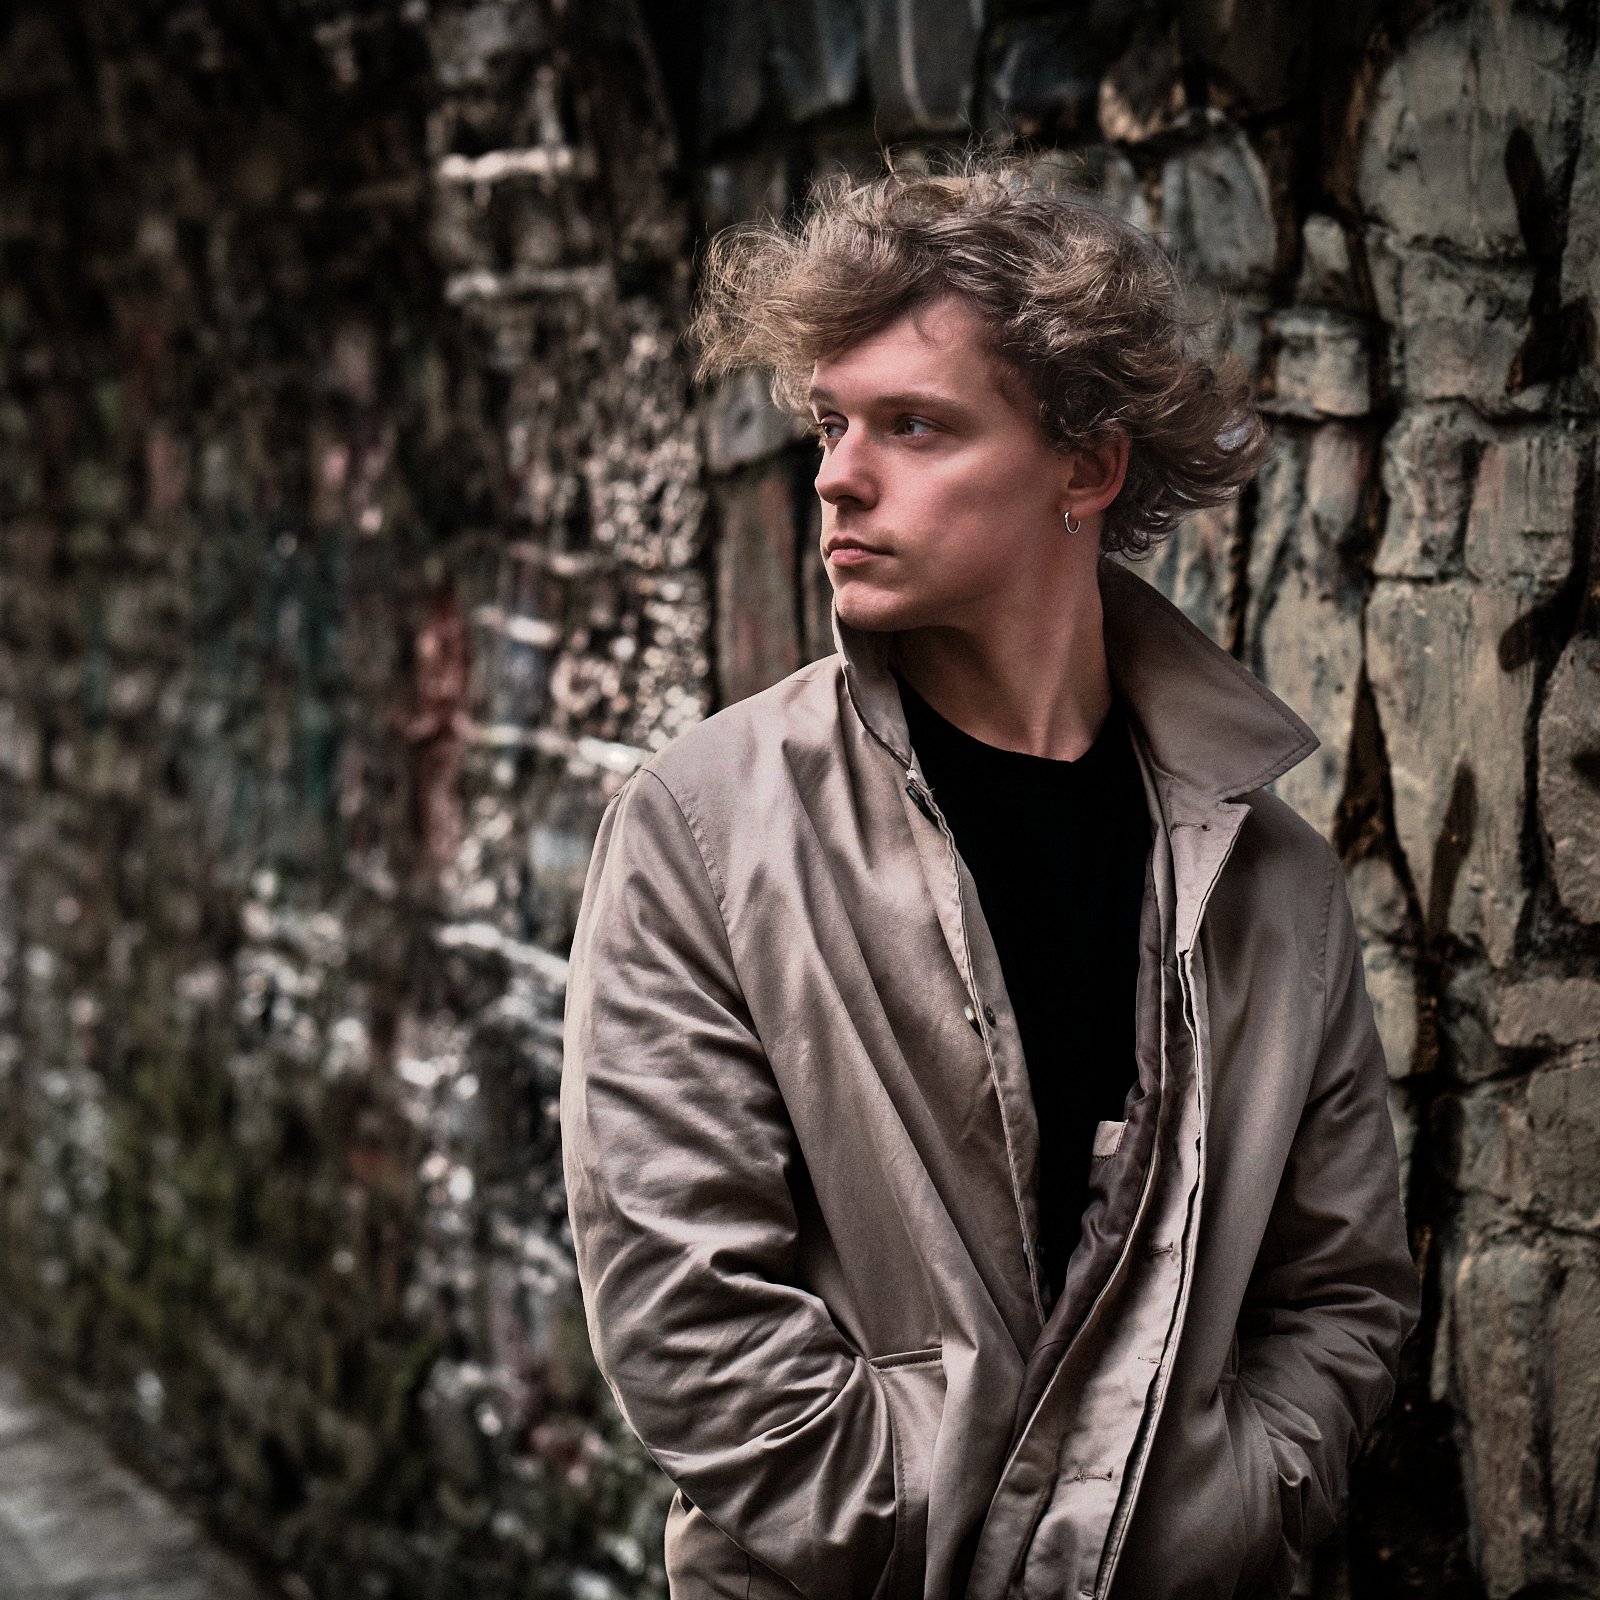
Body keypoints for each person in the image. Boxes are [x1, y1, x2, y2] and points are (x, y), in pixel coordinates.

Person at [559, 153, 1418, 1600]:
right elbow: (685, 1318)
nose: (837, 470)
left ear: (1087, 465)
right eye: (832, 422)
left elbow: (1340, 1301)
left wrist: (1233, 1506)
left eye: (913, 424)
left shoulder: (1272, 882)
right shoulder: (701, 826)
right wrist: (968, 1548)